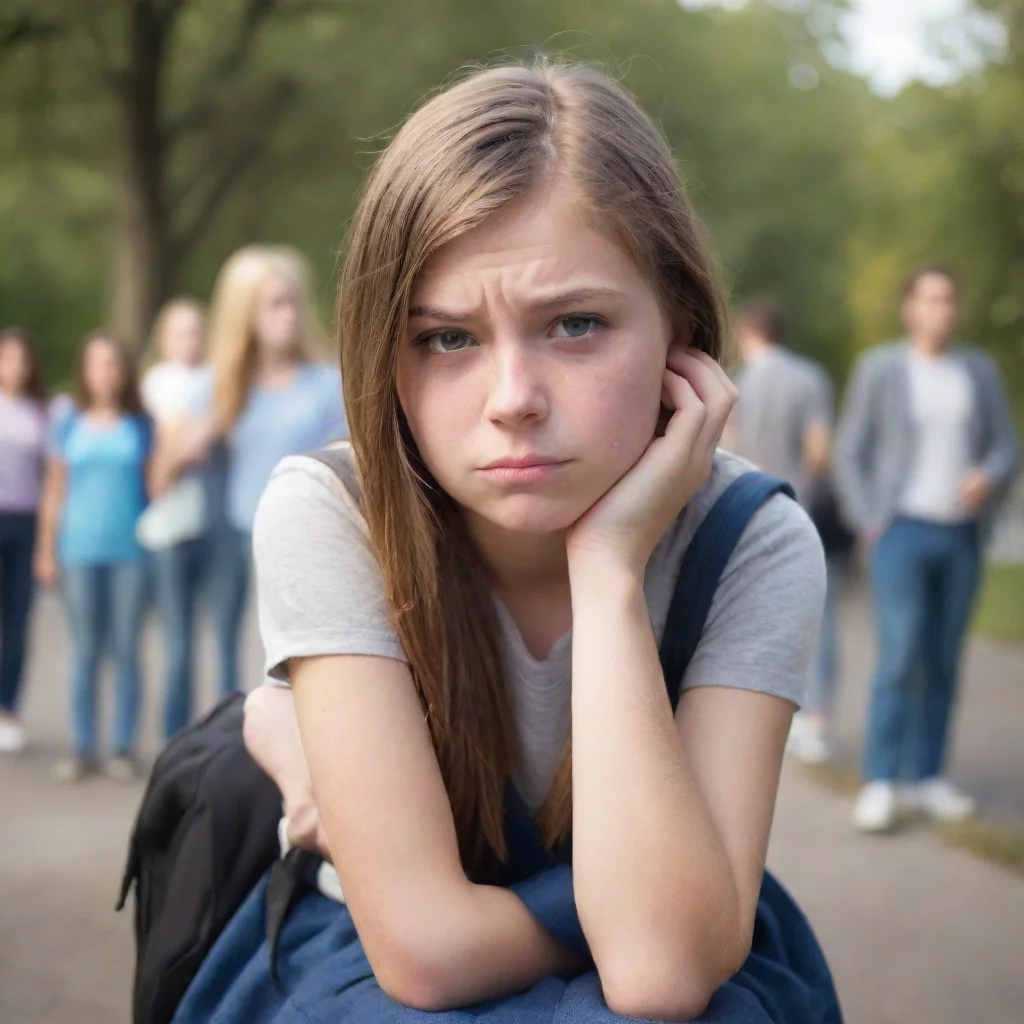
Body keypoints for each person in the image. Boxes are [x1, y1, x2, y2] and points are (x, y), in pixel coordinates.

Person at [177, 62, 839, 1023]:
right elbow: (425, 958)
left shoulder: (752, 542)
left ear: (682, 336)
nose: (511, 400)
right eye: (447, 339)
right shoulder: (333, 514)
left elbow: (659, 973)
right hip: (371, 974)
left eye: (575, 324)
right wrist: (623, 911)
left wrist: (608, 570)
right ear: (381, 356)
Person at [835, 264, 1020, 833]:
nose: (940, 310)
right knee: (899, 656)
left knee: (943, 658)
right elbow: (850, 450)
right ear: (910, 309)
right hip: (902, 532)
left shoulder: (977, 370)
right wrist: (870, 519)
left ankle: (928, 777)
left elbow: (1004, 445)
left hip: (961, 534)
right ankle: (882, 781)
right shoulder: (882, 369)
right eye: (930, 300)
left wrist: (988, 475)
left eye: (948, 301)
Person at [153, 246, 346, 699]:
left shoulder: (327, 385)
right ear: (245, 314)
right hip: (234, 537)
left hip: (307, 540)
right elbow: (161, 479)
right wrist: (198, 436)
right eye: (275, 304)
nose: (290, 315)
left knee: (297, 659)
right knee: (231, 651)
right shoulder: (216, 386)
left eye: (294, 301)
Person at [729, 300, 853, 764]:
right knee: (821, 616)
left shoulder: (738, 384)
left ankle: (765, 722)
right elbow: (820, 449)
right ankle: (816, 721)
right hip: (803, 511)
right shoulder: (809, 377)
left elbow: (728, 446)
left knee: (751, 617)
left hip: (748, 509)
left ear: (748, 333)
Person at [36, 332, 154, 782]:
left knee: (126, 648)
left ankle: (122, 747)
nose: (105, 373)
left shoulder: (140, 425)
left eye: (113, 364)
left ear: (124, 372)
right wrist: (46, 550)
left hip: (130, 551)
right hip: (78, 550)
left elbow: (155, 485)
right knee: (84, 650)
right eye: (96, 364)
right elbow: (54, 491)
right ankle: (84, 747)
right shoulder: (68, 422)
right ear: (84, 371)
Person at [139, 298, 211, 739]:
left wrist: (174, 452)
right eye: (180, 331)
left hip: (210, 525)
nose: (189, 340)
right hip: (166, 528)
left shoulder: (214, 379)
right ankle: (175, 737)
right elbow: (157, 457)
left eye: (195, 330)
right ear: (164, 338)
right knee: (178, 640)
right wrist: (178, 449)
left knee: (216, 639)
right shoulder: (154, 383)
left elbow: (185, 449)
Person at [0, 327, 48, 753]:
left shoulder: (42, 412)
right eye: (7, 358)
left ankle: (8, 707)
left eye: (22, 359)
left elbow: (52, 476)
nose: (15, 367)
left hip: (25, 520)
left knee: (16, 619)